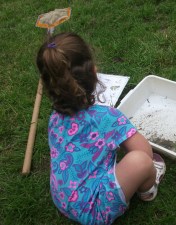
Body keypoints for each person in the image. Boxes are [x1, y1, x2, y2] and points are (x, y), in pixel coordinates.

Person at [36, 32, 166, 225]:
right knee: (141, 161)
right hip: (94, 210)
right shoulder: (106, 117)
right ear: (94, 72)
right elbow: (145, 151)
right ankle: (148, 190)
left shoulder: (54, 118)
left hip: (63, 200)